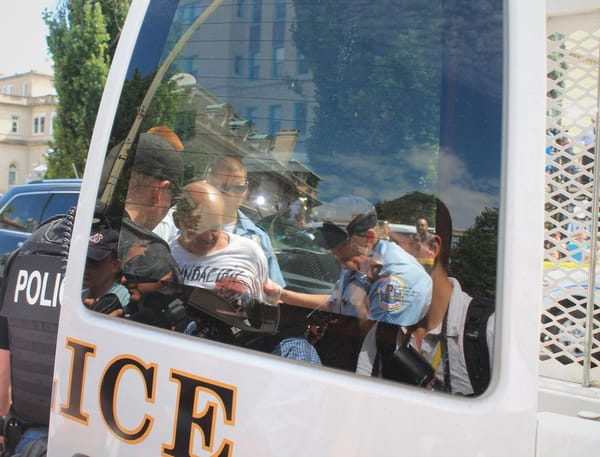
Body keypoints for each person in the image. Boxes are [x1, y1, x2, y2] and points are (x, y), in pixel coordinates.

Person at [170, 181, 320, 364]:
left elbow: (264, 311)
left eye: (215, 227)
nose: (209, 237)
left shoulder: (249, 252)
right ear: (178, 221)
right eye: (198, 229)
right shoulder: (168, 255)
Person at [358, 197, 495, 395]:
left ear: (431, 248)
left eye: (391, 246)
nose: (376, 261)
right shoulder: (383, 332)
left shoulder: (488, 332)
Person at [267, 196, 432, 327]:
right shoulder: (358, 259)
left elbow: (377, 342)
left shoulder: (399, 277)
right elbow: (336, 305)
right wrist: (283, 295)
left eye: (338, 244)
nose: (333, 252)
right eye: (329, 244)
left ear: (368, 238)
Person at [205, 154, 286, 287]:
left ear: (245, 190)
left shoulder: (257, 238)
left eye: (238, 188)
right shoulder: (185, 223)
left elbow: (274, 291)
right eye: (224, 187)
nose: (231, 194)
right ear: (209, 185)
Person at [82, 227, 130, 314]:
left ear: (115, 265)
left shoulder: (125, 298)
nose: (86, 266)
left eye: (94, 262)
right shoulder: (77, 295)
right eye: (85, 260)